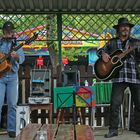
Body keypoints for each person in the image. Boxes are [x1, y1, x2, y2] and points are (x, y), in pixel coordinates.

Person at [96, 17, 140, 138]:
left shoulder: (136, 42)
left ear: (129, 29)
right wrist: (103, 54)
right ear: (118, 29)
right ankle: (113, 129)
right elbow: (99, 50)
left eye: (127, 26)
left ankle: (138, 127)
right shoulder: (112, 42)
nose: (125, 28)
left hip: (134, 76)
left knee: (139, 103)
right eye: (123, 26)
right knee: (115, 104)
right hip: (118, 77)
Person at [0, 21, 25, 138]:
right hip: (0, 76)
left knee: (12, 104)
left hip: (13, 76)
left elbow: (22, 59)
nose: (9, 33)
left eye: (11, 31)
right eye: (7, 31)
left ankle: (11, 130)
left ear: (13, 32)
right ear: (4, 31)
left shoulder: (17, 44)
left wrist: (17, 56)